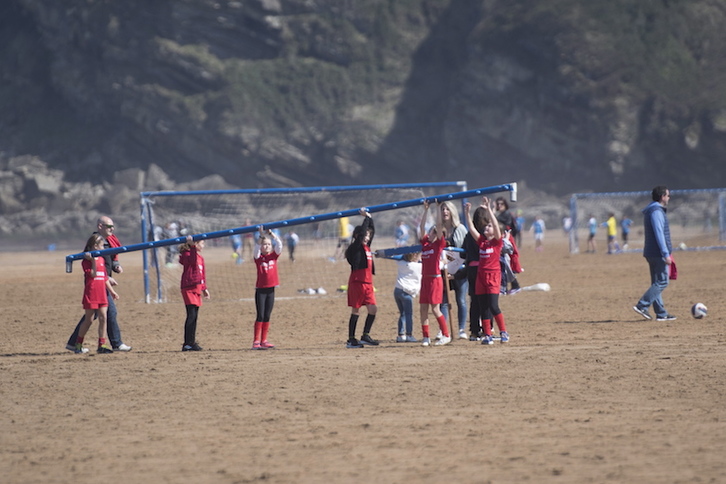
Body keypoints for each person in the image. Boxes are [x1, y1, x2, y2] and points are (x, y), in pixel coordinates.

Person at [66, 216, 132, 353]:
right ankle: (115, 343)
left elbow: (111, 260)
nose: (112, 229)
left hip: (104, 282)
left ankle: (75, 343)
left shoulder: (108, 242)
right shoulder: (96, 243)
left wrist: (116, 266)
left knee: (95, 316)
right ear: (100, 226)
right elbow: (92, 266)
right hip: (95, 285)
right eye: (109, 226)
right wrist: (106, 276)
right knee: (107, 313)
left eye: (113, 226)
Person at [464, 197, 510, 345]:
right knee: (483, 306)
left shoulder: (497, 242)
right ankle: (487, 335)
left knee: (493, 306)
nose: (487, 228)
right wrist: (467, 213)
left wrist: (489, 209)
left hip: (493, 276)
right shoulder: (482, 242)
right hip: (481, 277)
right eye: (486, 226)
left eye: (489, 226)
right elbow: (471, 229)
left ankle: (504, 332)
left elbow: (496, 226)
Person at [633, 186, 676, 322]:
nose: (669, 198)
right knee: (663, 281)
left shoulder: (652, 209)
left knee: (656, 282)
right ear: (662, 196)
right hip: (657, 253)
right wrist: (665, 254)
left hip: (651, 252)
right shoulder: (656, 211)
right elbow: (659, 234)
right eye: (668, 195)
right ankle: (642, 305)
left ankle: (661, 313)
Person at [73, 234, 119, 354]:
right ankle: (78, 344)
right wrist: (93, 260)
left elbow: (104, 277)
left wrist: (112, 292)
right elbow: (93, 274)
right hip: (91, 292)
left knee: (103, 317)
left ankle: (101, 345)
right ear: (95, 246)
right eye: (102, 246)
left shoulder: (102, 259)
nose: (103, 248)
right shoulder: (86, 261)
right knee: (89, 319)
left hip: (101, 292)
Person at [418, 201, 451, 347]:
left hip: (435, 280)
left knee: (435, 309)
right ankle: (426, 337)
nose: (430, 233)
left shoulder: (438, 245)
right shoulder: (425, 244)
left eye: (433, 232)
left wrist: (437, 208)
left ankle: (446, 334)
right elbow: (421, 227)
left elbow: (438, 226)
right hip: (425, 279)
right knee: (423, 309)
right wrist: (426, 210)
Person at [344, 209, 379, 348]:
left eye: (369, 236)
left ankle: (365, 335)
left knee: (373, 310)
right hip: (357, 282)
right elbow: (364, 231)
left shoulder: (367, 248)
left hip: (368, 284)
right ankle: (351, 339)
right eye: (365, 235)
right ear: (358, 236)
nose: (367, 237)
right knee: (356, 310)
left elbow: (371, 230)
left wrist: (370, 218)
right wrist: (365, 218)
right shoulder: (355, 248)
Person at [439, 201, 469, 340]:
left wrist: (456, 271)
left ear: (452, 212)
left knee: (461, 300)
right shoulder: (437, 229)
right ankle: (443, 330)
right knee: (443, 301)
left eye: (447, 209)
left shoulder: (460, 228)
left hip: (460, 270)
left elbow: (466, 250)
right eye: (443, 209)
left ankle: (462, 329)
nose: (445, 211)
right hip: (443, 271)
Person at [252, 227, 283, 349]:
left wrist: (272, 234)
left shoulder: (274, 256)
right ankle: (256, 341)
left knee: (267, 315)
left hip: (271, 289)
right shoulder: (258, 258)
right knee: (260, 315)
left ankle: (264, 340)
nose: (266, 246)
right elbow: (256, 248)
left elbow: (279, 244)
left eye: (269, 245)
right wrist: (261, 236)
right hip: (260, 290)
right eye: (264, 245)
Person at [179, 235, 210, 351]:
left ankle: (192, 342)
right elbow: (191, 261)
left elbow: (201, 274)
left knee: (195, 315)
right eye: (202, 243)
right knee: (191, 315)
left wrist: (204, 288)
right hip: (188, 287)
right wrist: (191, 247)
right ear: (195, 244)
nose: (203, 246)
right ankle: (187, 343)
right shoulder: (187, 254)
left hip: (197, 287)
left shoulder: (200, 258)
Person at [393, 251, 422, 342]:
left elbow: (396, 256)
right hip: (407, 292)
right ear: (415, 255)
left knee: (403, 313)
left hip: (397, 290)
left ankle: (401, 335)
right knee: (409, 314)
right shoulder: (418, 266)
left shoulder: (401, 263)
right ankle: (409, 334)